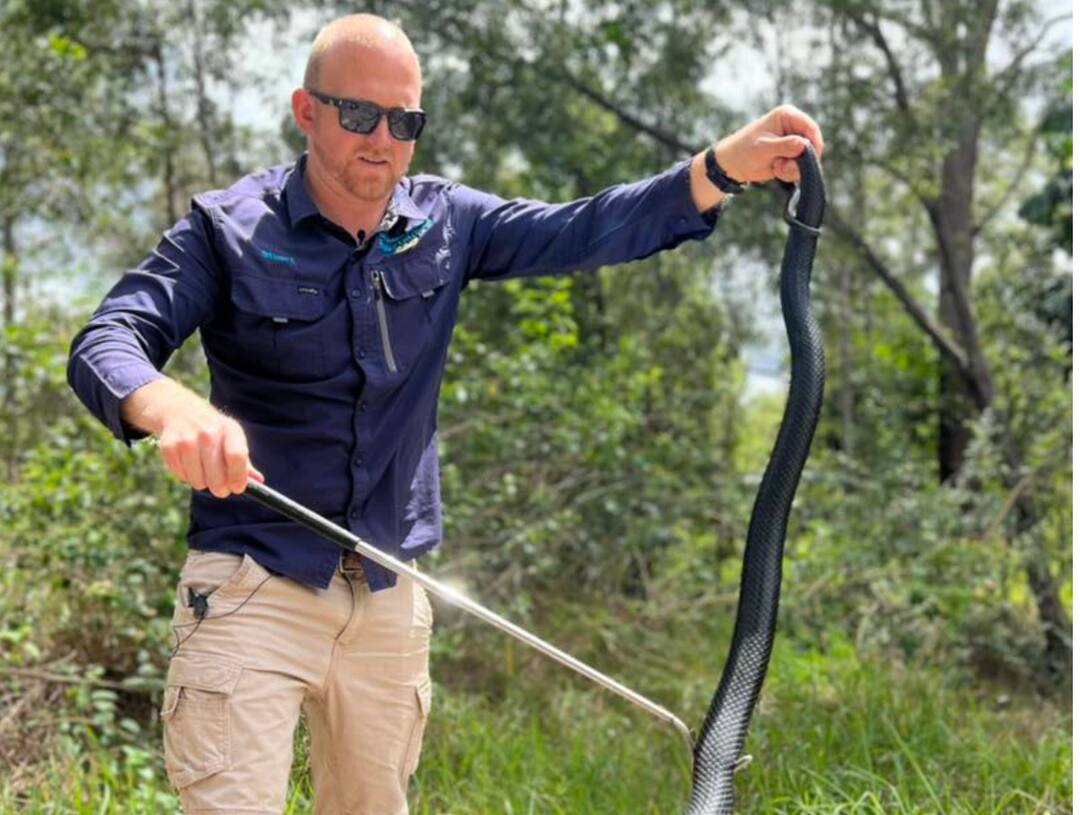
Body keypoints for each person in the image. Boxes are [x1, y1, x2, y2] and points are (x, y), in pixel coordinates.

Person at [67, 12, 825, 815]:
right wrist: (172, 408)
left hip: (390, 594)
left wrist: (719, 168)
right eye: (359, 114)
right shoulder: (226, 229)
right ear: (306, 110)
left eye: (405, 121)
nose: (382, 138)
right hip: (253, 584)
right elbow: (108, 338)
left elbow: (585, 227)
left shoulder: (448, 222)